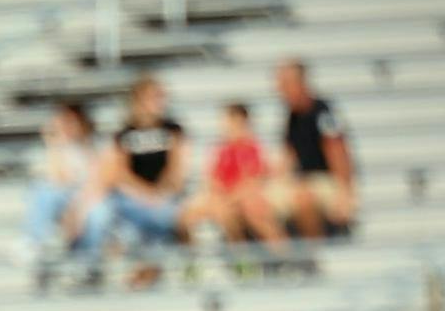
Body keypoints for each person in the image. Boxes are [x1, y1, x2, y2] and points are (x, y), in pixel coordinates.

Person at [80, 75, 192, 284]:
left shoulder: (172, 130)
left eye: (161, 97)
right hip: (136, 199)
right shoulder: (125, 133)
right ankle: (131, 266)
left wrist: (159, 192)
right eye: (155, 97)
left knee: (162, 217)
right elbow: (120, 172)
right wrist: (145, 193)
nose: (160, 101)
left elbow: (176, 168)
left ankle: (146, 268)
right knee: (118, 215)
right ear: (139, 99)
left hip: (164, 197)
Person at [179, 102, 287, 250]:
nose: (226, 126)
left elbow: (252, 183)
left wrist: (228, 200)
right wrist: (218, 197)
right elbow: (211, 179)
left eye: (230, 121)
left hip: (242, 200)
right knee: (187, 215)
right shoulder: (221, 148)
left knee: (247, 213)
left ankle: (279, 255)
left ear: (242, 122)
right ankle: (191, 262)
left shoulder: (252, 148)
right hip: (224, 198)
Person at [268, 60, 356, 238]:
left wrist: (344, 193)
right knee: (256, 202)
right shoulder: (292, 116)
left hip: (326, 180)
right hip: (303, 181)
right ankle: (285, 255)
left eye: (284, 84)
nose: (279, 90)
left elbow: (338, 151)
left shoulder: (322, 112)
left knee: (303, 199)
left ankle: (311, 255)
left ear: (299, 83)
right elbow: (288, 155)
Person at [19, 99, 99, 268]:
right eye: (63, 122)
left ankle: (37, 241)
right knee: (42, 190)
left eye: (71, 122)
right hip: (62, 200)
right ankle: (36, 241)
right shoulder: (55, 150)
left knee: (46, 191)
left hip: (84, 201)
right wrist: (54, 144)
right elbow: (57, 179)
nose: (67, 127)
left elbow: (93, 182)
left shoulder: (93, 148)